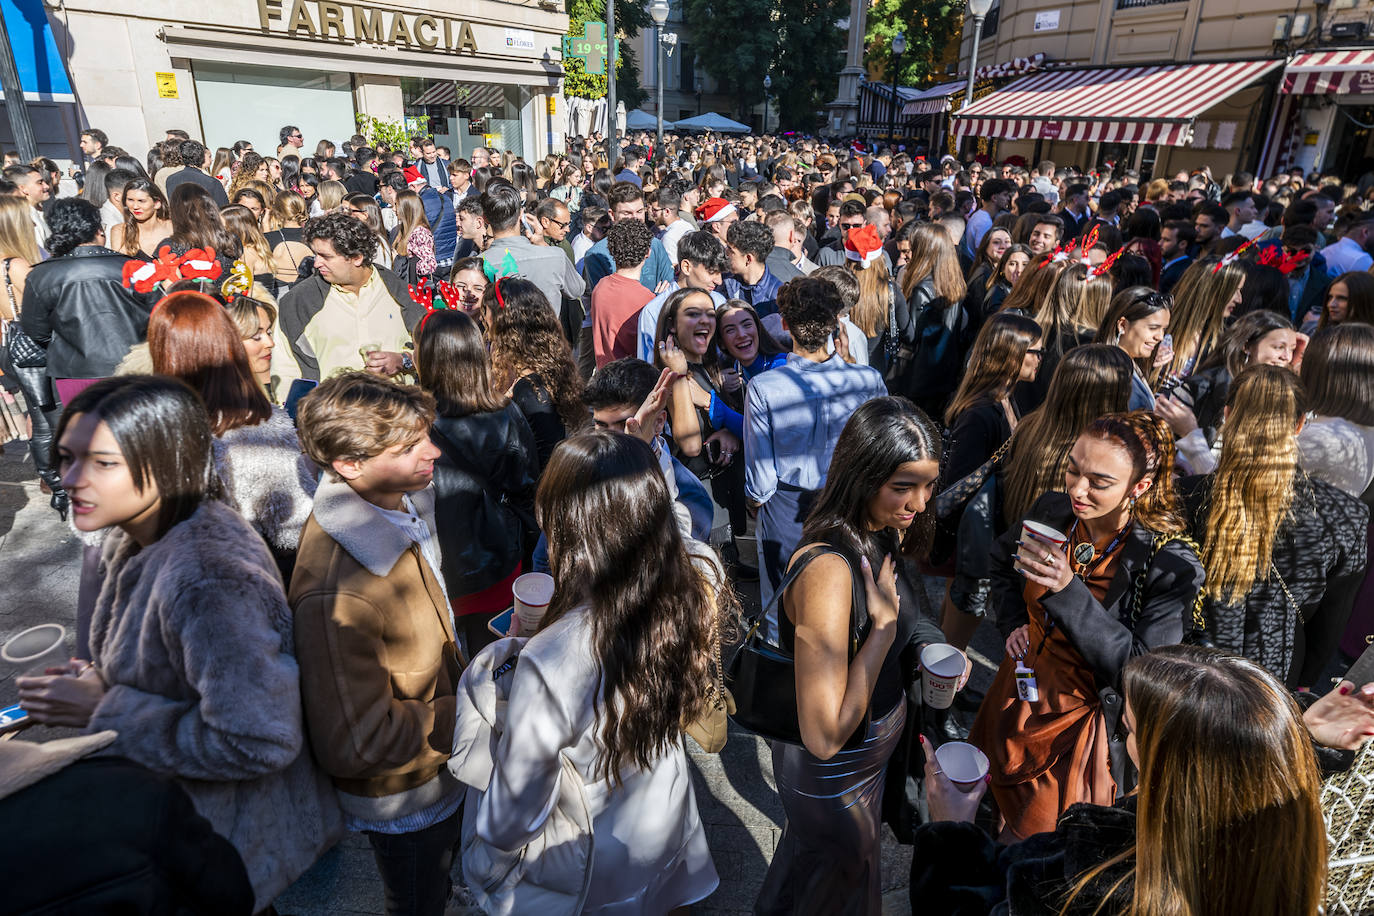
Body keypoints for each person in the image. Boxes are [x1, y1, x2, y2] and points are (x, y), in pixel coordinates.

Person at [17, 375, 339, 911]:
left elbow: (258, 740)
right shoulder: (142, 534)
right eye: (65, 458)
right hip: (185, 833)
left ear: (167, 461)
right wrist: (103, 682)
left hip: (223, 854)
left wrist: (106, 707)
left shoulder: (207, 576)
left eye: (101, 463)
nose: (68, 479)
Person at [452, 430, 723, 913]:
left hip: (591, 855)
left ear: (569, 524)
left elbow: (512, 818)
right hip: (662, 812)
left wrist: (513, 658)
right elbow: (680, 527)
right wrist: (636, 464)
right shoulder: (695, 581)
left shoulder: (553, 658)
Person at [912, 645, 1340, 916]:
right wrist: (1300, 741)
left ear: (1170, 764)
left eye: (1132, 730)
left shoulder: (1095, 872)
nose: (1122, 736)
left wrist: (953, 829)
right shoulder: (1266, 853)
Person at [971, 411, 1205, 841]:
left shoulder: (1166, 564)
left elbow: (1141, 671)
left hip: (1077, 729)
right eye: (1072, 469)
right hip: (1016, 692)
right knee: (980, 809)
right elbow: (1004, 562)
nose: (1077, 489)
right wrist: (1014, 622)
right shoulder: (1053, 511)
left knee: (1034, 846)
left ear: (1140, 487)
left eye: (1099, 482)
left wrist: (1066, 588)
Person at [755, 396, 947, 915]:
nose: (920, 503)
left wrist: (929, 643)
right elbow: (822, 736)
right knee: (835, 883)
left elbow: (906, 607)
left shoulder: (880, 532)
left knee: (820, 881)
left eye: (927, 486)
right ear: (863, 475)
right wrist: (882, 633)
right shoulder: (829, 573)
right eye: (903, 487)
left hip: (867, 767)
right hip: (835, 779)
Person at [291, 371, 465, 916]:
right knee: (414, 900)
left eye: (426, 435)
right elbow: (359, 741)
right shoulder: (335, 590)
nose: (433, 450)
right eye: (410, 446)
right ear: (350, 465)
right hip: (408, 798)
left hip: (437, 767)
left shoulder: (396, 502)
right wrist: (473, 712)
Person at [1181, 365, 1368, 688]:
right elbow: (1330, 623)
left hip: (1183, 668)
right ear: (1299, 425)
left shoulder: (1183, 496)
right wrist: (1304, 683)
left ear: (1227, 414)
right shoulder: (1347, 515)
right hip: (1271, 679)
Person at [745, 277, 888, 630]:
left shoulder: (764, 387)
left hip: (788, 505)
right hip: (851, 502)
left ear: (783, 323)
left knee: (784, 607)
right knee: (852, 594)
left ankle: (783, 677)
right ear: (835, 323)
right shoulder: (868, 380)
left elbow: (760, 482)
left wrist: (757, 499)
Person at [147, 290, 316, 575]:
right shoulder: (254, 428)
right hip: (248, 579)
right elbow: (295, 528)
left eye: (269, 332)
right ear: (223, 345)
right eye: (255, 336)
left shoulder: (144, 421)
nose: (271, 343)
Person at [415, 308, 538, 657]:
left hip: (440, 568)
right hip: (498, 560)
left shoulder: (413, 422)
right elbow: (527, 484)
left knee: (452, 662)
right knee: (497, 663)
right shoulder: (505, 412)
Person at [937, 313, 1044, 645]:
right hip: (970, 545)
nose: (1041, 358)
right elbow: (957, 489)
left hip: (978, 541)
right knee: (957, 630)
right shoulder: (981, 413)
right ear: (1011, 353)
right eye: (1035, 351)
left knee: (952, 622)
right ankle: (937, 693)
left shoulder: (1006, 399)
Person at [20, 198, 151, 408]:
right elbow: (159, 315)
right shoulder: (134, 267)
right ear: (98, 229)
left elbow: (36, 330)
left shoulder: (41, 275)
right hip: (134, 366)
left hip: (75, 371)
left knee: (87, 436)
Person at [583, 356, 716, 543]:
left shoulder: (689, 496)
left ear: (659, 422)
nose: (611, 439)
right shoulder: (580, 474)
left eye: (625, 424)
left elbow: (677, 559)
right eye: (602, 426)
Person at [278, 212, 424, 381]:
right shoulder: (299, 301)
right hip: (332, 405)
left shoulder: (401, 292)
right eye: (316, 254)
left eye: (326, 256)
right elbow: (285, 369)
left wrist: (404, 360)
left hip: (398, 404)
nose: (316, 263)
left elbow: (434, 349)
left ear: (356, 258)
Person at [484, 278, 587, 471]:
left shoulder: (530, 389)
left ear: (503, 324)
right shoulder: (542, 372)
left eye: (487, 317)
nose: (486, 327)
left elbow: (544, 462)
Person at [1159, 309, 1297, 453]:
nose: (1287, 357)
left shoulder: (1282, 395)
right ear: (1247, 346)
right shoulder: (1202, 387)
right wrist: (1190, 434)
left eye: (1292, 349)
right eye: (1279, 347)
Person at [479, 180, 584, 320]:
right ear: (521, 213)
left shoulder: (478, 264)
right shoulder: (555, 256)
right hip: (548, 339)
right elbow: (577, 289)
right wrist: (543, 245)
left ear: (485, 218)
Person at [896, 221, 969, 416]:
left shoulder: (922, 288)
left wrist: (898, 307)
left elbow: (911, 337)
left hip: (918, 377)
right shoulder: (955, 285)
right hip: (946, 374)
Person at [636, 229, 728, 362]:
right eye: (712, 272)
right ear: (686, 267)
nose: (719, 281)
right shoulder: (654, 311)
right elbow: (648, 366)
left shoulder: (719, 301)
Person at [1155, 256, 1245, 382]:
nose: (1239, 299)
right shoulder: (1156, 319)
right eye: (1234, 291)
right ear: (1211, 290)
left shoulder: (1225, 335)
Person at [590, 216, 656, 367]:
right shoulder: (648, 300)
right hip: (632, 381)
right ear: (648, 252)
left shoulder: (600, 287)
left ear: (612, 251)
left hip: (605, 377)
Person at [1097, 287, 1171, 411]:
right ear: (1123, 325)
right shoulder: (1105, 372)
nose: (1160, 337)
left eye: (1164, 329)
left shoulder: (1130, 364)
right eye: (1153, 328)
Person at [722, 218, 783, 318]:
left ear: (748, 259)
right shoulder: (723, 282)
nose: (726, 253)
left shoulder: (777, 297)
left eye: (731, 250)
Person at [108, 177, 172, 258]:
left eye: (141, 201)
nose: (135, 206)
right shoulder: (120, 231)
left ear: (157, 203)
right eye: (130, 200)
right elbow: (117, 265)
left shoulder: (173, 228)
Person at [164, 140, 228, 207]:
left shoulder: (170, 180)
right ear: (202, 156)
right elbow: (224, 210)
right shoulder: (211, 182)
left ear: (181, 157)